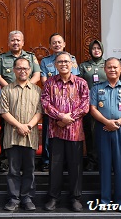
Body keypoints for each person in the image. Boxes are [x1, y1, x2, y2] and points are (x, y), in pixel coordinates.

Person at [90, 57, 121, 211]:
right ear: (104, 69)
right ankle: (105, 200)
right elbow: (92, 109)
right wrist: (107, 122)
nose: (112, 70)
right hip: (102, 128)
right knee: (104, 164)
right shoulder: (96, 88)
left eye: (115, 67)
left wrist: (118, 122)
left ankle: (120, 201)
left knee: (120, 165)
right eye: (109, 67)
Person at [41, 52, 89, 212]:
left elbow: (85, 105)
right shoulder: (49, 83)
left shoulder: (81, 83)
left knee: (75, 167)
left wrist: (70, 118)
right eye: (60, 62)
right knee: (55, 167)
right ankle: (53, 198)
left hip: (75, 132)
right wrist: (60, 116)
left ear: (72, 64)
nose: (63, 64)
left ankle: (75, 198)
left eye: (66, 61)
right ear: (55, 65)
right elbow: (45, 103)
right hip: (56, 131)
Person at [0, 57, 43, 212]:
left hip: (30, 136)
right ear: (14, 70)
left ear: (30, 70)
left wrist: (28, 126)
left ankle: (27, 197)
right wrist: (19, 126)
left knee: (30, 169)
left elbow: (40, 111)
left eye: (25, 68)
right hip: (12, 135)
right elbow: (3, 111)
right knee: (13, 169)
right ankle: (13, 198)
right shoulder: (6, 90)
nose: (22, 71)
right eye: (19, 68)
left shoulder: (37, 90)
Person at [0, 30, 41, 172]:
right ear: (8, 42)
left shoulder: (31, 57)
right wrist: (12, 88)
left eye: (18, 40)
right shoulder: (2, 58)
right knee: (5, 130)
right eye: (13, 40)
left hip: (29, 95)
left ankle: (27, 161)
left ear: (23, 42)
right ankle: (5, 159)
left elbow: (37, 75)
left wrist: (25, 86)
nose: (15, 42)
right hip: (9, 96)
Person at [39, 33, 79, 172]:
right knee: (47, 133)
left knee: (69, 132)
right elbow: (45, 81)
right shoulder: (45, 61)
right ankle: (46, 160)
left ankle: (67, 161)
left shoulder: (71, 59)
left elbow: (75, 81)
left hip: (69, 104)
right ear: (50, 45)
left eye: (59, 42)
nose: (57, 45)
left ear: (64, 44)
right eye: (54, 43)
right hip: (52, 101)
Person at [79, 40, 106, 171]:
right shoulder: (84, 66)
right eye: (94, 48)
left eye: (98, 48)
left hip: (105, 104)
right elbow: (80, 85)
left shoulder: (107, 64)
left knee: (104, 131)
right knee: (90, 132)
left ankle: (104, 160)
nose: (96, 50)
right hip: (89, 103)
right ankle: (92, 160)